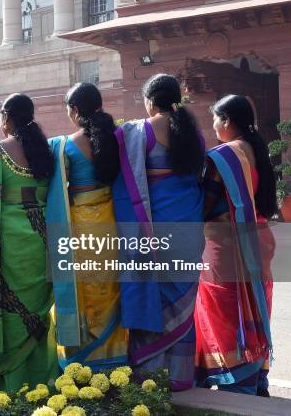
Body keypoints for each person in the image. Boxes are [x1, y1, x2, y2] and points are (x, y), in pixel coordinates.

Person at [112, 74, 205, 390]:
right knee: (181, 306)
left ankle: (149, 378)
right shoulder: (194, 134)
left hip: (153, 233)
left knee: (152, 300)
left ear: (150, 101)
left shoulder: (139, 131)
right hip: (189, 231)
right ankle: (180, 377)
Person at [0, 93, 58, 392]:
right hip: (41, 241)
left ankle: (14, 384)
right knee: (38, 312)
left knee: (13, 312)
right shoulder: (48, 151)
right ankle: (43, 383)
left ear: (6, 118)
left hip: (7, 242)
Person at [194, 94, 275, 396]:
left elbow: (205, 203)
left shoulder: (222, 157)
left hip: (226, 246)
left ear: (227, 121)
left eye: (215, 118)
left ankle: (238, 383)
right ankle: (257, 377)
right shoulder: (258, 150)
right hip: (260, 239)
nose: (213, 125)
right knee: (255, 303)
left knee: (224, 311)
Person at [47, 83, 128, 371]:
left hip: (81, 223)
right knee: (109, 283)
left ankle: (83, 355)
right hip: (110, 219)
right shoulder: (118, 138)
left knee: (84, 284)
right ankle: (114, 351)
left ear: (75, 110)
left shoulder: (65, 145)